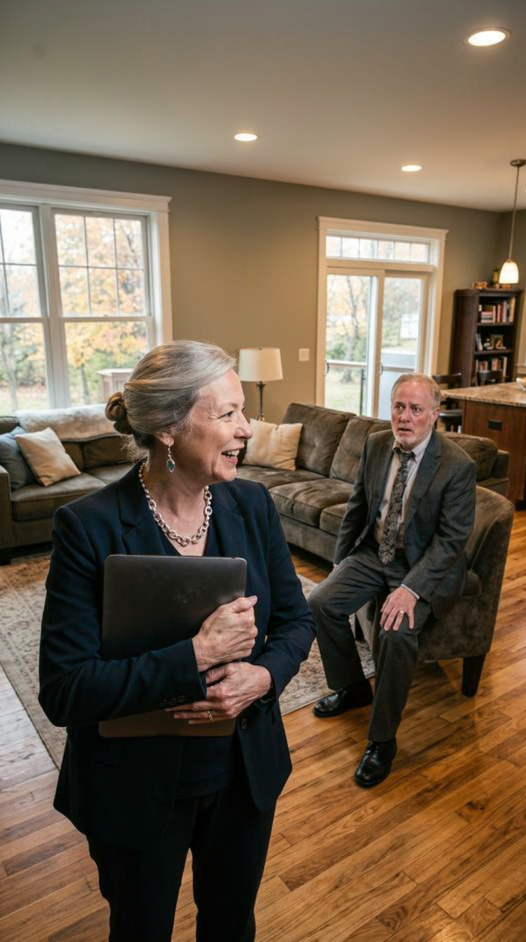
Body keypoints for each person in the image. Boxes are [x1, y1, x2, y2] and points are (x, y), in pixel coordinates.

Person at [39, 340, 315, 942]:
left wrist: (262, 677)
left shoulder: (253, 504)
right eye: (227, 414)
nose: (247, 428)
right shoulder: (89, 527)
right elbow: (65, 691)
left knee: (230, 925)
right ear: (167, 427)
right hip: (136, 787)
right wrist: (197, 654)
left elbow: (297, 622)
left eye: (244, 410)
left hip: (242, 776)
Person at [309, 373, 476, 788]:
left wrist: (410, 588)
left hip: (422, 566)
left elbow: (452, 540)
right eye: (398, 406)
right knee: (321, 602)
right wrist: (339, 563)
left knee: (397, 632)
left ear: (435, 415)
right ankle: (351, 688)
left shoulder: (457, 466)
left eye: (415, 409)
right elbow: (358, 507)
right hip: (373, 553)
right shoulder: (377, 443)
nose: (404, 417)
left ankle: (382, 740)